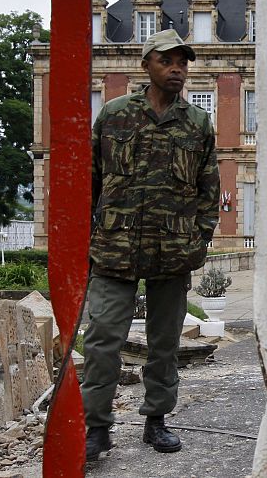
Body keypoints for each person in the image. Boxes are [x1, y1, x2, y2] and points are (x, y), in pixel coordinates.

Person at [82, 29, 219, 461]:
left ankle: (156, 419)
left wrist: (200, 241)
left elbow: (208, 190)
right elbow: (90, 180)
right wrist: (92, 234)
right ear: (147, 65)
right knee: (103, 339)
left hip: (173, 252)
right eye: (167, 60)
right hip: (114, 250)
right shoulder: (114, 116)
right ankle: (96, 428)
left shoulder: (197, 124)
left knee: (164, 344)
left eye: (183, 61)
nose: (177, 68)